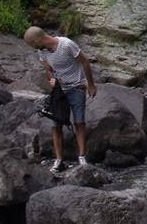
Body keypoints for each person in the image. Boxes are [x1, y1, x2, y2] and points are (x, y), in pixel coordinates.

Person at [23, 26, 97, 171]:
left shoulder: (66, 44)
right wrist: (51, 80)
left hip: (76, 87)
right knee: (55, 124)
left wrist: (91, 85)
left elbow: (84, 62)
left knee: (79, 121)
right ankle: (59, 160)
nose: (33, 47)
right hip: (59, 92)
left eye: (32, 44)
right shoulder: (42, 51)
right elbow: (49, 69)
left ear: (38, 39)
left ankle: (82, 157)